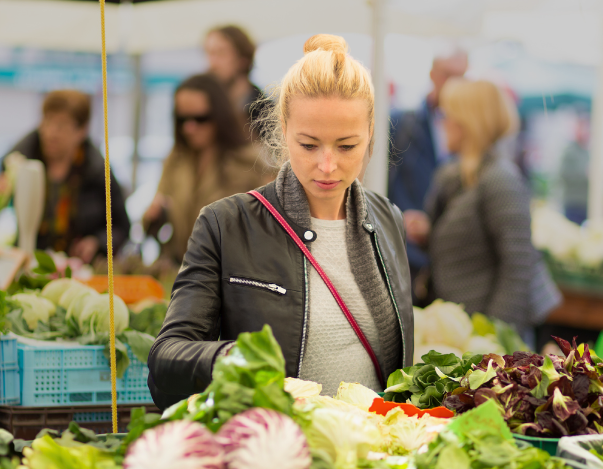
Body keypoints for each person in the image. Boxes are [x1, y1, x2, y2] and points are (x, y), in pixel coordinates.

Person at [148, 34, 414, 409]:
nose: (327, 165)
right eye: (308, 145)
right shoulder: (225, 224)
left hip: (373, 453)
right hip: (274, 452)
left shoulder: (388, 220)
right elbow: (165, 360)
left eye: (346, 146)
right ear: (282, 130)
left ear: (371, 134)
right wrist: (239, 361)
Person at [405, 79, 560, 344]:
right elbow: (466, 247)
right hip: (463, 332)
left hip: (486, 341)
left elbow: (518, 266)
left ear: (467, 122)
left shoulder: (501, 180)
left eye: (447, 115)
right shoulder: (455, 176)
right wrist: (427, 234)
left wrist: (491, 338)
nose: (441, 123)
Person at [0, 90, 130, 263]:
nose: (51, 133)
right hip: (29, 263)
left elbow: (122, 227)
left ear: (81, 131)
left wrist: (97, 243)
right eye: (47, 122)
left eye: (61, 125)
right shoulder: (20, 160)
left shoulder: (98, 170)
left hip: (79, 269)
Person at [142, 74, 274, 265]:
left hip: (230, 274)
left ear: (219, 116)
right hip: (182, 270)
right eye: (182, 119)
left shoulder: (251, 163)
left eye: (200, 118)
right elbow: (157, 208)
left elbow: (268, 229)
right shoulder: (175, 160)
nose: (189, 127)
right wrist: (153, 215)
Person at [388, 49, 467, 303]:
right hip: (405, 254)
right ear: (433, 75)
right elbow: (385, 184)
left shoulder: (469, 130)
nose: (453, 83)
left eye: (460, 76)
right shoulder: (403, 124)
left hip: (446, 260)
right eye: (448, 75)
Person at [204, 25, 267, 135]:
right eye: (209, 53)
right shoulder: (205, 107)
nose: (212, 63)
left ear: (243, 59)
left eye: (221, 53)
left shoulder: (264, 113)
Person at [558, 116, 590, 224]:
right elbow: (563, 174)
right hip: (573, 202)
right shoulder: (569, 151)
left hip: (586, 202)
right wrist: (585, 174)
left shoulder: (587, 151)